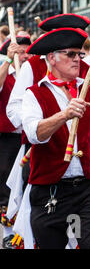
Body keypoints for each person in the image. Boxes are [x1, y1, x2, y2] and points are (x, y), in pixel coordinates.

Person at [21, 27, 90, 249]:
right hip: (50, 194)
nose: (77, 59)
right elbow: (34, 134)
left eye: (79, 54)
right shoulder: (34, 93)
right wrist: (64, 114)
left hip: (85, 193)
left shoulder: (88, 90)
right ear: (52, 57)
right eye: (70, 54)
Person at [0, 35, 32, 248]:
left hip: (29, 138)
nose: (25, 55)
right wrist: (9, 61)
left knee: (27, 185)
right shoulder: (7, 72)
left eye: (26, 52)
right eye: (20, 52)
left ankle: (26, 233)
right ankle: (8, 232)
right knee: (6, 188)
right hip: (6, 139)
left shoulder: (33, 73)